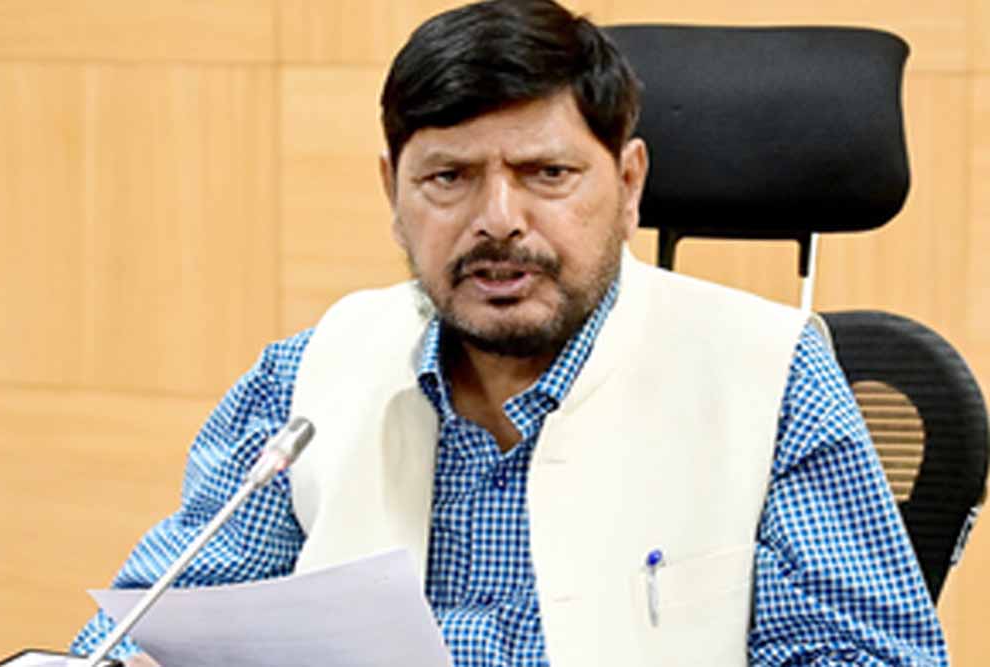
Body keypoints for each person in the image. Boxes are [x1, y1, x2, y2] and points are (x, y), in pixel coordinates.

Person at [72, 1, 948, 665]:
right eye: (449, 177)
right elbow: (151, 628)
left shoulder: (772, 376)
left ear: (629, 185)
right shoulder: (309, 377)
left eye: (547, 173)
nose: (498, 219)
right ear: (392, 194)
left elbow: (869, 656)